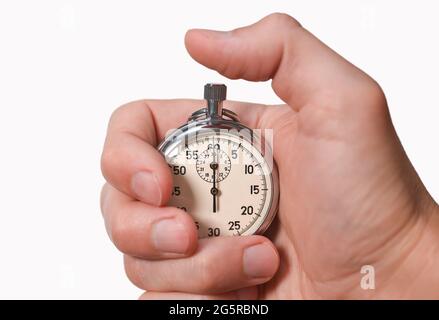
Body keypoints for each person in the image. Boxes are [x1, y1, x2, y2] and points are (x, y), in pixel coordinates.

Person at [99, 13, 439, 299]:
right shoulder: (187, 150)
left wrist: (397, 251)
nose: (213, 190)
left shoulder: (260, 152)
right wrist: (396, 266)